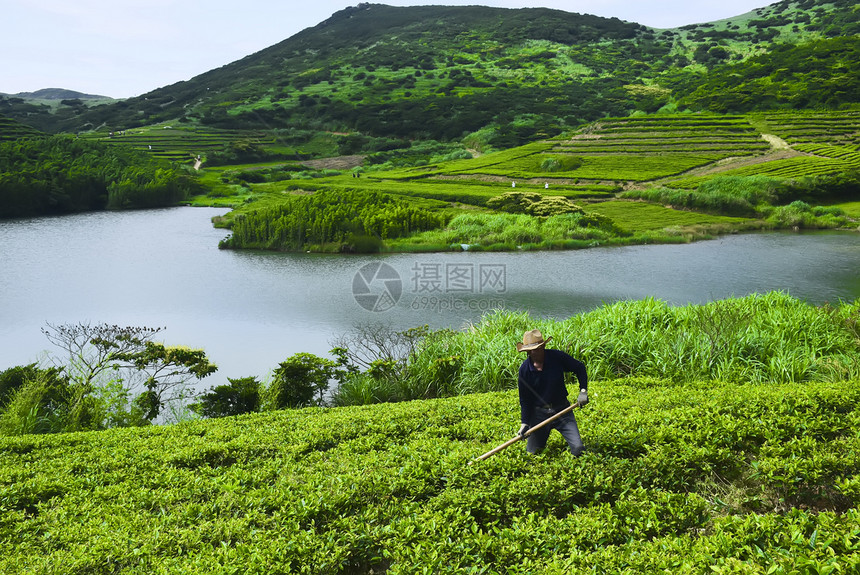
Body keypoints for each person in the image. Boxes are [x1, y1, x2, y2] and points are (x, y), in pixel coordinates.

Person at [516, 329, 588, 456]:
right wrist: (525, 423)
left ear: (543, 346)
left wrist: (583, 391)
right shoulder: (524, 370)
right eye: (530, 350)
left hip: (562, 411)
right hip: (539, 415)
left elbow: (579, 368)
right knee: (532, 454)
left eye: (536, 349)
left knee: (578, 449)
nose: (533, 353)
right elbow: (525, 400)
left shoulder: (557, 357)